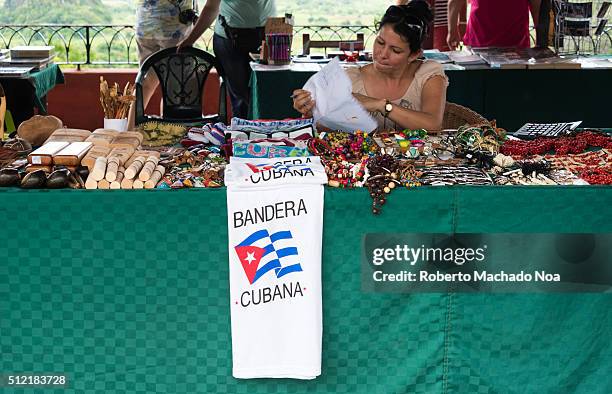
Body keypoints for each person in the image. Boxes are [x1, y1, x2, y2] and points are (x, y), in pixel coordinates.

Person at [293, 1, 448, 131]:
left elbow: (433, 124)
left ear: (414, 55)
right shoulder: (351, 79)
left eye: (395, 50)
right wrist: (311, 112)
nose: (382, 53)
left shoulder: (428, 74)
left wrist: (380, 105)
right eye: (380, 42)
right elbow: (326, 127)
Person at [177, 0, 276, 119]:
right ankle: (242, 133)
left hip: (268, 37)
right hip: (229, 39)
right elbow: (211, 8)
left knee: (268, 91)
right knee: (241, 97)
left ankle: (264, 132)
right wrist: (190, 39)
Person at [127, 0, 196, 130]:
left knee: (145, 82)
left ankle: (129, 131)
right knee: (174, 88)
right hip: (173, 27)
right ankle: (169, 135)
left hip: (145, 25)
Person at [447, 0, 542, 50]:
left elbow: (454, 2)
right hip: (516, 46)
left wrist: (452, 31)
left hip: (480, 44)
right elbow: (537, 8)